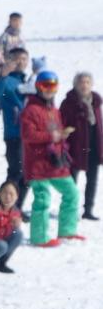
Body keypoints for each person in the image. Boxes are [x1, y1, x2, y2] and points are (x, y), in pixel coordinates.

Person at [21, 70, 82, 247]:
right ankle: (40, 238)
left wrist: (62, 139)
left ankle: (67, 230)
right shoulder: (30, 110)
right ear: (38, 87)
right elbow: (28, 135)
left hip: (56, 162)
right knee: (43, 199)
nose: (49, 89)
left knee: (72, 193)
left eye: (53, 86)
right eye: (46, 85)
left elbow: (56, 134)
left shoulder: (54, 110)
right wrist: (53, 136)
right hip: (37, 163)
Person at [0, 47, 31, 213]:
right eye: (17, 59)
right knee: (16, 172)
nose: (21, 62)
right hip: (14, 134)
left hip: (30, 136)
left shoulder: (27, 80)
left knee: (26, 174)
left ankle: (16, 208)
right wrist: (3, 75)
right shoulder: (8, 80)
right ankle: (3, 207)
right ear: (10, 61)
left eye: (24, 59)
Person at [60, 72, 102, 221]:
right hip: (75, 148)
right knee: (71, 181)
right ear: (75, 84)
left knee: (92, 180)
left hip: (94, 147)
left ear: (91, 85)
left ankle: (88, 210)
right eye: (81, 82)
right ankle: (69, 210)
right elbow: (61, 124)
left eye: (87, 82)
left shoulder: (96, 102)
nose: (84, 85)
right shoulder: (69, 103)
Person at [0, 181, 24, 272]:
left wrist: (13, 225)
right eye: (5, 193)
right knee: (2, 245)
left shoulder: (15, 211)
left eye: (11, 194)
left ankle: (1, 263)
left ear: (17, 197)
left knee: (18, 233)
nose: (8, 197)